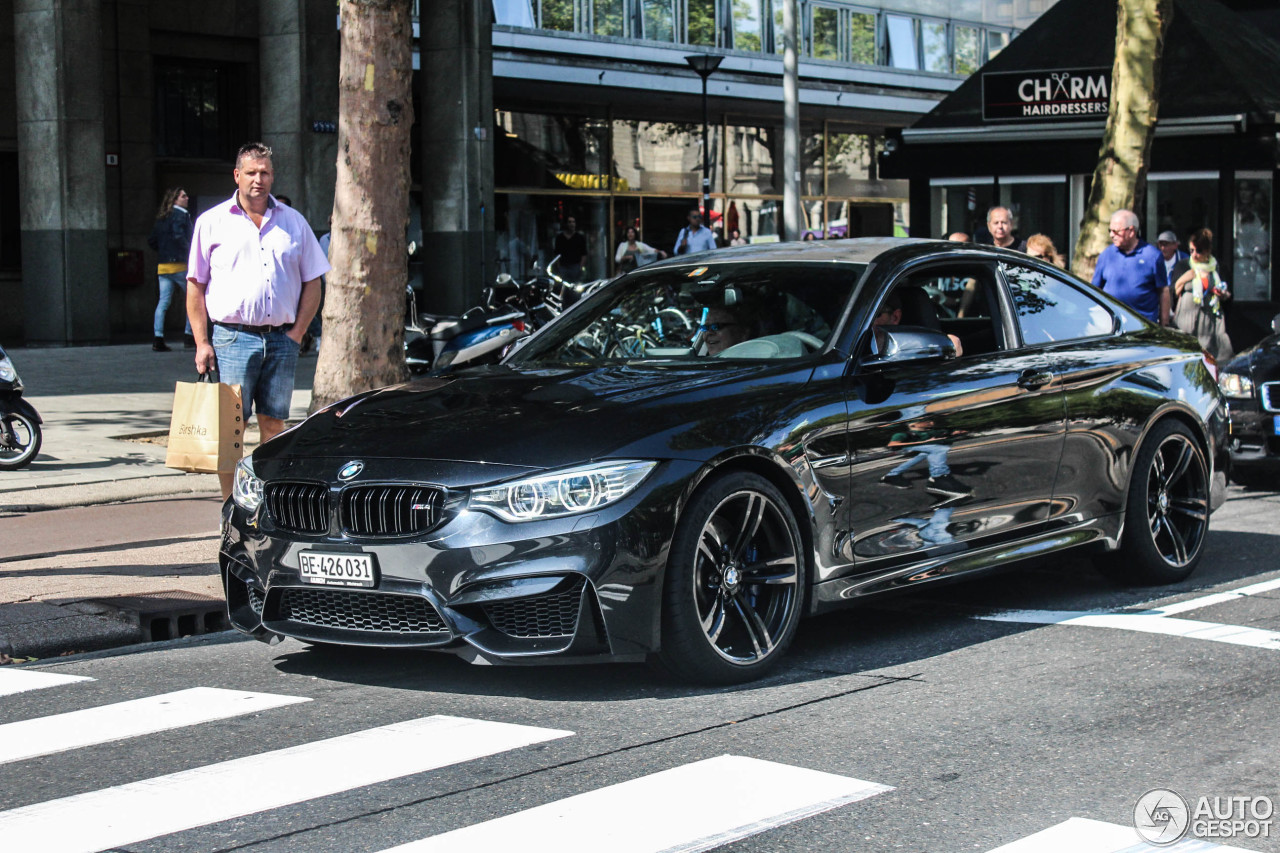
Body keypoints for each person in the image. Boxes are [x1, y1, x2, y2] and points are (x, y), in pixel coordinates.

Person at [186, 142, 330, 500]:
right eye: (251, 172)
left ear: (272, 177)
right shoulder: (212, 223)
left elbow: (314, 279)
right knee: (230, 429)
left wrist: (297, 333)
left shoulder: (293, 223)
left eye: (265, 172)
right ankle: (230, 507)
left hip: (282, 340)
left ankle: (269, 502)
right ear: (237, 175)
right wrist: (202, 342)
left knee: (274, 425)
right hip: (232, 339)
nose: (258, 180)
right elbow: (195, 285)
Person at [1091, 209, 1170, 326]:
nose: (1112, 235)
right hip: (1111, 325)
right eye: (1110, 231)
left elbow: (1163, 291)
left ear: (1131, 231)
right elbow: (1095, 291)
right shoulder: (1106, 255)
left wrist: (1164, 323)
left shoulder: (1152, 255)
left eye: (1116, 231)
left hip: (1143, 325)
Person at [1172, 228, 1234, 363]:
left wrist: (1222, 294)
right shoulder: (1184, 265)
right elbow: (1174, 292)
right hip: (1187, 319)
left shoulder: (1218, 268)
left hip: (1209, 321)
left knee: (1214, 358)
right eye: (1191, 250)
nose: (1194, 255)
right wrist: (1184, 278)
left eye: (1199, 251)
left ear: (1208, 250)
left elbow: (1229, 296)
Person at [148, 188, 195, 352]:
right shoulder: (181, 215)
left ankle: (158, 337)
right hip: (180, 264)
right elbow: (178, 236)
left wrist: (164, 251)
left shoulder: (162, 217)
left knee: (163, 302)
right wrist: (190, 251)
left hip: (163, 266)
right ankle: (189, 335)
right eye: (183, 196)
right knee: (194, 298)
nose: (187, 198)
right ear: (175, 200)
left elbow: (152, 240)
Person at [553, 216, 587, 281]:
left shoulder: (579, 237)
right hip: (563, 267)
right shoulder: (560, 238)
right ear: (566, 224)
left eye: (573, 222)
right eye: (569, 222)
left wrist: (580, 267)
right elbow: (557, 253)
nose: (571, 224)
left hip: (575, 267)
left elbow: (584, 254)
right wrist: (558, 266)